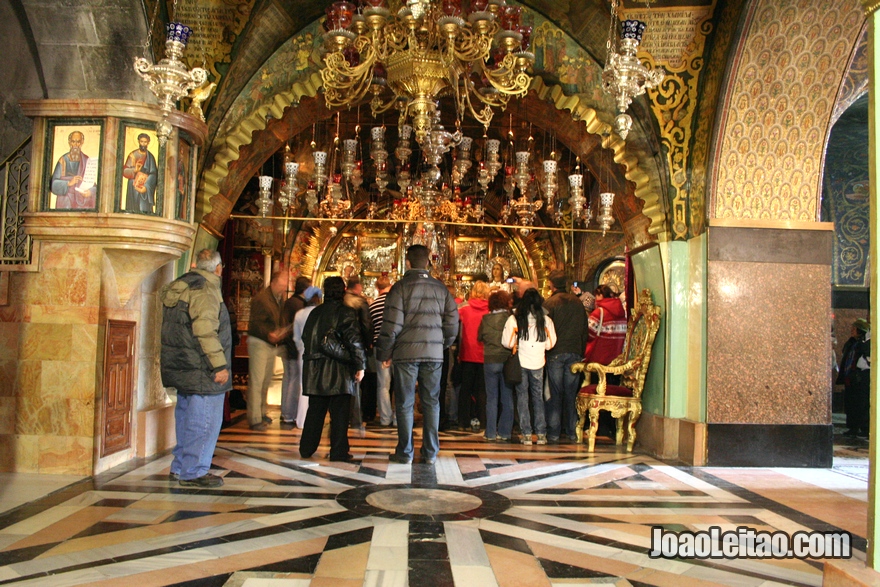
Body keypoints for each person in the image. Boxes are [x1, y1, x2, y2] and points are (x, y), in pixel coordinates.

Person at [375, 244, 459, 465]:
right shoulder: (441, 289)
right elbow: (452, 324)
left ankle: (405, 452)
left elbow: (391, 324)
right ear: (428, 263)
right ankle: (430, 452)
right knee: (432, 402)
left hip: (405, 354)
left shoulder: (400, 288)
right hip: (433, 354)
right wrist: (441, 344)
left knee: (404, 403)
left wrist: (384, 352)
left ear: (408, 262)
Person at [160, 249, 231, 487]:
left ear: (195, 264)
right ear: (218, 268)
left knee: (187, 417)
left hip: (183, 364)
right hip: (203, 369)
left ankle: (180, 466)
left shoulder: (182, 286)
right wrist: (219, 365)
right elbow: (204, 330)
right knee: (205, 420)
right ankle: (194, 471)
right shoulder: (206, 290)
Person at [299, 277, 366, 462]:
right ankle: (338, 451)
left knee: (315, 411)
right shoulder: (345, 312)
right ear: (343, 290)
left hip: (313, 368)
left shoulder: (314, 313)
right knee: (339, 413)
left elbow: (306, 337)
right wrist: (360, 365)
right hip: (338, 369)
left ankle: (306, 447)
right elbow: (354, 340)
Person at [502, 287, 557, 445]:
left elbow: (507, 342)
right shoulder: (546, 320)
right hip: (538, 362)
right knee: (538, 397)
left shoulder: (515, 318)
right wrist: (541, 345)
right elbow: (551, 344)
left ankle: (526, 433)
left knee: (522, 397)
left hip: (521, 361)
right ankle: (541, 433)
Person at [544, 272, 588, 444]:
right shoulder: (577, 302)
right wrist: (581, 351)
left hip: (555, 353)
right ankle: (571, 431)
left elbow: (543, 329)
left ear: (551, 285)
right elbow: (584, 329)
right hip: (575, 353)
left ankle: (554, 433)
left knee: (555, 394)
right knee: (571, 394)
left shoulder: (549, 303)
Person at [247, 271, 288, 430]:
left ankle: (262, 411)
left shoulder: (279, 299)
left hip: (270, 344)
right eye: (283, 282)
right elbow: (256, 323)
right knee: (257, 381)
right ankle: (255, 418)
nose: (285, 286)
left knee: (265, 381)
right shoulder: (262, 299)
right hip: (259, 342)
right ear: (274, 282)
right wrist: (269, 333)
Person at [478, 290, 514, 442]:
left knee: (491, 398)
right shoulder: (509, 318)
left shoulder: (485, 319)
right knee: (507, 398)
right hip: (506, 360)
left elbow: (479, 337)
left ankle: (491, 432)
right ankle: (505, 432)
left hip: (490, 360)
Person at [280, 276, 311, 430]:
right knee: (294, 381)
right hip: (295, 347)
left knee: (287, 379)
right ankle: (290, 414)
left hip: (287, 345)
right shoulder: (299, 306)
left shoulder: (288, 302)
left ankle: (285, 412)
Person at [458, 280, 490, 431]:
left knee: (465, 389)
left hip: (467, 353)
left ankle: (463, 421)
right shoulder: (490, 309)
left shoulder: (464, 308)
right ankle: (483, 420)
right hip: (484, 354)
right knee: (482, 391)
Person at [344, 276, 373, 435]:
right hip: (357, 345)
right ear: (357, 286)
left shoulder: (341, 300)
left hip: (341, 346)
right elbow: (366, 324)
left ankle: (341, 417)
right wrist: (368, 343)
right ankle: (355, 419)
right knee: (356, 382)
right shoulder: (360, 303)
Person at [292, 286, 323, 428]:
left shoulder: (299, 314)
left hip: (303, 353)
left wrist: (301, 349)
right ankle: (316, 420)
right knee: (318, 386)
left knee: (303, 385)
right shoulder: (321, 313)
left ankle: (301, 420)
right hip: (320, 353)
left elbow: (296, 337)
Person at [369, 275, 395, 426]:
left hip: (380, 346)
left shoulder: (373, 306)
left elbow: (370, 328)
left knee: (383, 385)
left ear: (377, 288)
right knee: (399, 384)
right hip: (397, 346)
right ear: (390, 286)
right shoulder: (395, 304)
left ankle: (385, 418)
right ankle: (399, 419)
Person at [838, 318, 871, 438]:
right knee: (850, 403)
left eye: (854, 329)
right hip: (850, 377)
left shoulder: (864, 343)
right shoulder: (852, 342)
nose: (852, 331)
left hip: (859, 377)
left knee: (860, 404)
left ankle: (863, 427)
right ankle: (852, 427)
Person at [50, 131, 96, 209]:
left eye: (78, 142)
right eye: (73, 141)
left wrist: (91, 191)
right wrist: (69, 183)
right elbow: (53, 184)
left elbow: (92, 183)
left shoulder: (86, 160)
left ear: (82, 143)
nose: (75, 145)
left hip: (82, 201)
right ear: (69, 142)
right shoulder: (63, 160)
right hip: (66, 200)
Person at [583, 285, 627, 367]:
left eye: (596, 295)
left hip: (599, 358)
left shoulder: (599, 313)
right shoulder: (622, 312)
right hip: (617, 358)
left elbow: (589, 334)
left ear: (600, 295)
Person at [122, 133, 159, 213]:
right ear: (138, 142)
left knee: (144, 209)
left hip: (145, 187)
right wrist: (135, 170)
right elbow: (124, 171)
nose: (143, 144)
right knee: (133, 209)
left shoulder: (150, 157)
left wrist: (146, 187)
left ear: (148, 143)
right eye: (141, 141)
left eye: (145, 142)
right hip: (133, 186)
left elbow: (154, 174)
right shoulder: (133, 155)